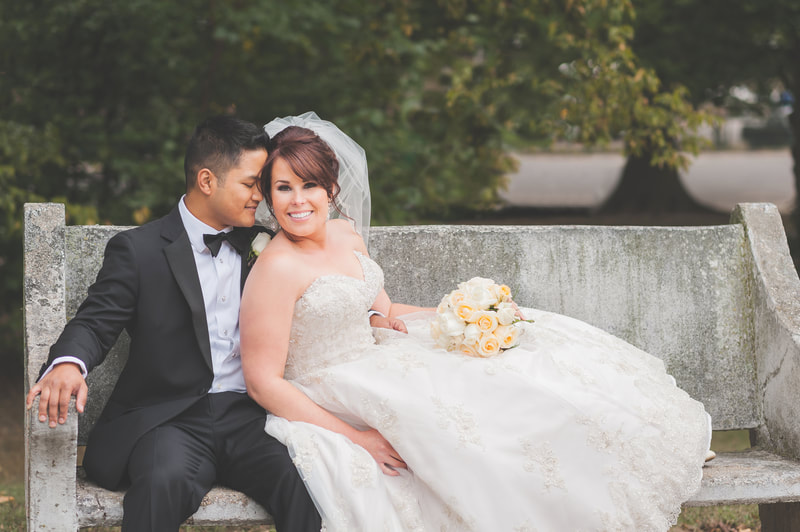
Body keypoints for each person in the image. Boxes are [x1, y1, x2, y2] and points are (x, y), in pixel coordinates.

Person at [240, 113, 713, 531]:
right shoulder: (276, 268)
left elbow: (379, 307)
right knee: (464, 424)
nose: (297, 201)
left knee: (519, 364)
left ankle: (629, 447)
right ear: (268, 194)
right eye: (283, 187)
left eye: (309, 186)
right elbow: (263, 382)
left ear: (331, 190)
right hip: (332, 391)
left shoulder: (344, 234)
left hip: (378, 354)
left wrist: (459, 314)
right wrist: (358, 438)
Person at [25, 116, 321, 532]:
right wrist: (69, 363)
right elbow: (94, 322)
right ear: (206, 181)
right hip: (170, 419)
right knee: (163, 482)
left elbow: (322, 289)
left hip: (252, 417)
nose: (261, 195)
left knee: (307, 482)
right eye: (251, 183)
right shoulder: (138, 251)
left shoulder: (267, 245)